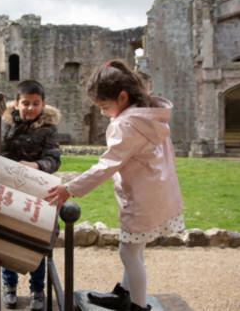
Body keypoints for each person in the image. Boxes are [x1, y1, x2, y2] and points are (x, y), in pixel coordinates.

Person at [45, 59, 184, 311]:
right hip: (159, 193)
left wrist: (70, 188)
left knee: (128, 253)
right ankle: (125, 294)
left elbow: (107, 165)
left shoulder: (125, 125)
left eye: (104, 106)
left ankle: (138, 306)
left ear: (122, 97)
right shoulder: (150, 116)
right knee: (135, 248)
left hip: (142, 198)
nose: (102, 112)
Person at [0, 79, 61, 311]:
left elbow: (54, 159)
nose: (30, 108)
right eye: (25, 103)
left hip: (36, 190)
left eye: (36, 103)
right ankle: (9, 286)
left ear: (43, 104)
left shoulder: (48, 129)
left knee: (36, 243)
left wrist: (36, 166)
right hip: (9, 190)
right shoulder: (4, 125)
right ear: (16, 103)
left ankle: (38, 290)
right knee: (9, 239)